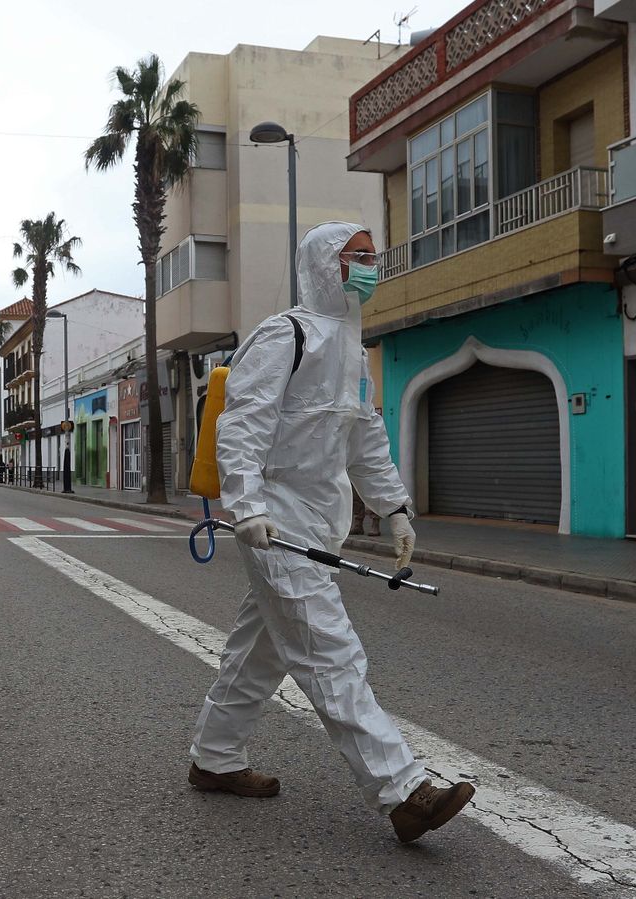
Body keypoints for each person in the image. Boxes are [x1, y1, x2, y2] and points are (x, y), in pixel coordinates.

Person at [187, 222, 475, 844]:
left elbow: (365, 438)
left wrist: (394, 508)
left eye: (373, 255)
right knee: (329, 650)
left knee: (261, 650)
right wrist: (246, 505)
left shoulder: (352, 347)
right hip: (277, 519)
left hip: (320, 523)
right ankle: (403, 791)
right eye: (358, 256)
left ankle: (215, 757)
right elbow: (242, 423)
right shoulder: (284, 335)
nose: (372, 265)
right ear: (326, 263)